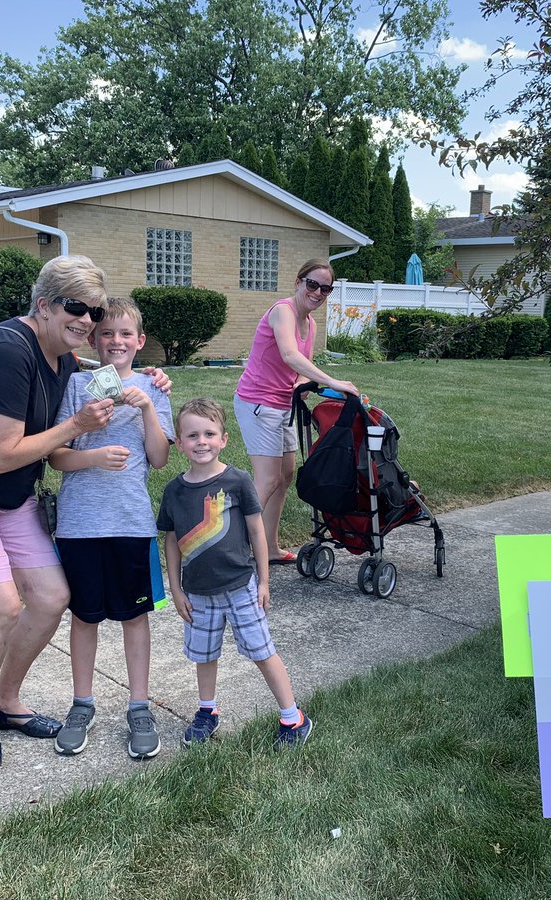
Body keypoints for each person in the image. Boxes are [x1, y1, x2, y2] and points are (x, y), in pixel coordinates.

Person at [0, 255, 169, 769]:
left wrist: (149, 374)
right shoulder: (5, 351)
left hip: (6, 495)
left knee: (51, 597)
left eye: (92, 312)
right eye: (75, 308)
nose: (87, 321)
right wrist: (77, 426)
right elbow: (3, 453)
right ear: (44, 306)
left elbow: (100, 373)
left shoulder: (60, 355)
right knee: (2, 607)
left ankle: (6, 700)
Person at [48, 297, 174, 760]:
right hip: (79, 524)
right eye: (107, 334)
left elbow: (159, 459)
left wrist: (145, 409)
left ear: (140, 342)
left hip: (130, 522)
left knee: (133, 615)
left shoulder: (155, 388)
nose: (116, 342)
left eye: (125, 335)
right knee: (84, 616)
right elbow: (57, 454)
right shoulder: (80, 385)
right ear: (94, 340)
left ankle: (139, 705)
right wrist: (92, 457)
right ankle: (83, 703)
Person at [157, 398, 313, 749]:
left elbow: (258, 533)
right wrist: (175, 589)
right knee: (204, 654)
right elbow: (170, 540)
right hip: (196, 593)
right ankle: (207, 711)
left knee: (261, 650)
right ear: (179, 443)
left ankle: (293, 717)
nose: (202, 441)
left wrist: (264, 581)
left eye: (209, 433)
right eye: (192, 435)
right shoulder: (175, 491)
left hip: (242, 587)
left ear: (224, 439)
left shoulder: (237, 481)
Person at [233, 259, 359, 565]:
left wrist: (309, 385)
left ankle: (270, 547)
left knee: (285, 475)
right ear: (298, 281)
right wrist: (331, 380)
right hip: (257, 402)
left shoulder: (311, 324)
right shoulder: (283, 311)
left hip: (282, 405)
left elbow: (301, 370)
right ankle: (229, 551)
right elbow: (290, 355)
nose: (317, 292)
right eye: (312, 284)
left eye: (325, 288)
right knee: (267, 480)